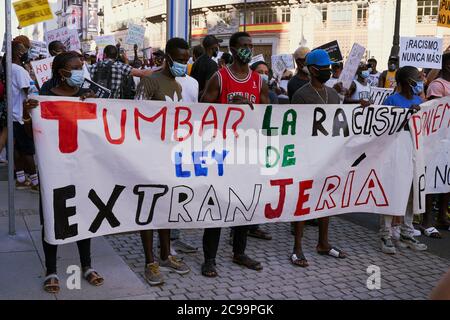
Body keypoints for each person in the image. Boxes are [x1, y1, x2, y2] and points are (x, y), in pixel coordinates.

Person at [200, 31, 269, 277]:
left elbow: (267, 115)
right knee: (217, 205)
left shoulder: (259, 81)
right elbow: (202, 110)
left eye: (251, 45)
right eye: (243, 45)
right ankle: (209, 258)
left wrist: (249, 108)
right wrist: (229, 107)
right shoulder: (220, 77)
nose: (248, 49)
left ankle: (239, 252)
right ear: (231, 48)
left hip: (246, 151)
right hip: (221, 151)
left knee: (243, 204)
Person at [33, 51, 104, 293]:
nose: (80, 71)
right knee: (52, 216)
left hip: (82, 168)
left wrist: (96, 105)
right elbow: (32, 130)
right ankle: (51, 270)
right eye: (75, 67)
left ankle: (87, 266)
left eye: (82, 66)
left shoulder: (87, 96)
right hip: (54, 169)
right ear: (62, 72)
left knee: (84, 214)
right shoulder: (44, 95)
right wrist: (28, 111)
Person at [135, 37, 192, 285]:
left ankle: (166, 254)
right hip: (150, 157)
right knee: (149, 209)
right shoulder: (150, 81)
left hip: (171, 156)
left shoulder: (178, 85)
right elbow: (135, 116)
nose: (183, 63)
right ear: (167, 57)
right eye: (179, 60)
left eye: (186, 60)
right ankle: (150, 262)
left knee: (167, 208)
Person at [290, 49, 346, 267]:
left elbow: (339, 123)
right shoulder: (301, 95)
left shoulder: (332, 94)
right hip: (306, 156)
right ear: (313, 70)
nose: (329, 72)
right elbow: (294, 128)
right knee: (303, 202)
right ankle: (297, 248)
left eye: (330, 68)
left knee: (326, 199)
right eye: (324, 69)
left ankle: (323, 243)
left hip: (327, 156)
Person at [380, 66, 428, 254]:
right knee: (392, 191)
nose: (421, 80)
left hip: (414, 154)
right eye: (418, 78)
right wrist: (409, 113)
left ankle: (406, 232)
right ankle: (385, 234)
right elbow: (384, 128)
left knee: (410, 193)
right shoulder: (391, 100)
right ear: (408, 81)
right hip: (395, 154)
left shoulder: (419, 101)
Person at [421, 52, 450, 236]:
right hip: (438, 139)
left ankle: (442, 216)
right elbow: (434, 113)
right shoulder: (437, 85)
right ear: (447, 65)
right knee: (433, 179)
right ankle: (427, 219)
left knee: (447, 178)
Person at [7, 41, 39, 192]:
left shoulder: (9, 67)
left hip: (14, 114)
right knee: (28, 150)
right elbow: (29, 92)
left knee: (18, 149)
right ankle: (35, 181)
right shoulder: (19, 70)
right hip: (21, 115)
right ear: (19, 53)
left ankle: (20, 179)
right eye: (25, 49)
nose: (28, 52)